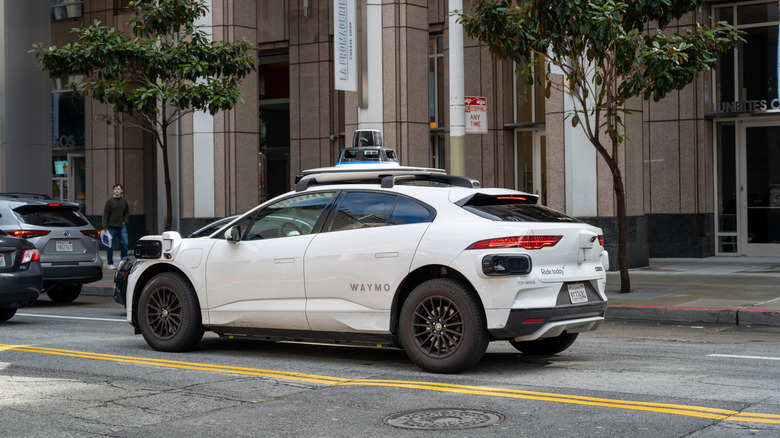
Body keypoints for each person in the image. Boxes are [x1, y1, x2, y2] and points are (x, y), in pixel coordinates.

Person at [101, 183, 129, 270]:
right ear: (113, 191)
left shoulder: (124, 201)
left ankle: (123, 263)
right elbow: (105, 214)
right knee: (110, 246)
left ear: (121, 191)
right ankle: (110, 263)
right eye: (115, 189)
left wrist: (125, 221)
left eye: (118, 189)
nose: (116, 190)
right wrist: (105, 226)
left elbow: (127, 212)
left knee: (125, 243)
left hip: (121, 226)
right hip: (111, 226)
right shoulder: (109, 201)